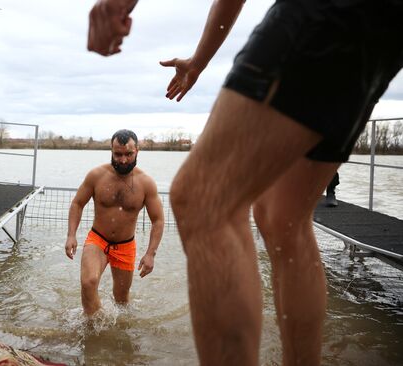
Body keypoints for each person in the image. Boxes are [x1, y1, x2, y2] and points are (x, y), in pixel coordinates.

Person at [87, 0, 403, 364]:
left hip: (324, 13)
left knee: (202, 198)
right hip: (379, 27)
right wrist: (200, 61)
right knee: (283, 218)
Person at [65, 129, 164, 316]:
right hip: (98, 239)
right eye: (118, 154)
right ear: (111, 150)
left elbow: (158, 220)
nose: (123, 160)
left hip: (126, 245)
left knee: (121, 299)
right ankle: (92, 327)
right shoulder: (96, 175)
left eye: (129, 154)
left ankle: (117, 330)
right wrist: (71, 235)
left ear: (137, 151)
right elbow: (77, 203)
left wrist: (151, 254)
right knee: (88, 282)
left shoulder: (146, 183)